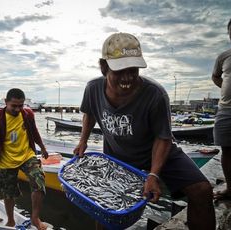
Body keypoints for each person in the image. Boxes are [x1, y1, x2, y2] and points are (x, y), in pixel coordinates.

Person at [73, 33, 215, 230]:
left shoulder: (155, 94)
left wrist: (153, 175)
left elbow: (163, 137)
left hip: (157, 152)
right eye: (120, 71)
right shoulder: (93, 88)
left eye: (133, 70)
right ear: (104, 67)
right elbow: (90, 113)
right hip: (117, 157)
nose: (128, 78)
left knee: (202, 190)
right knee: (104, 205)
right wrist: (83, 141)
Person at [0, 88, 49, 229]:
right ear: (6, 102)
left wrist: (42, 147)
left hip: (27, 155)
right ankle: (11, 220)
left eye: (21, 105)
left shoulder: (27, 114)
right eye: (14, 105)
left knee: (39, 181)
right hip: (7, 159)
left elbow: (34, 132)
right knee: (8, 193)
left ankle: (35, 218)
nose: (18, 109)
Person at [212, 16, 231, 200]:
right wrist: (227, 91)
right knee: (227, 150)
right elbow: (216, 76)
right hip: (226, 110)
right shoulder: (224, 56)